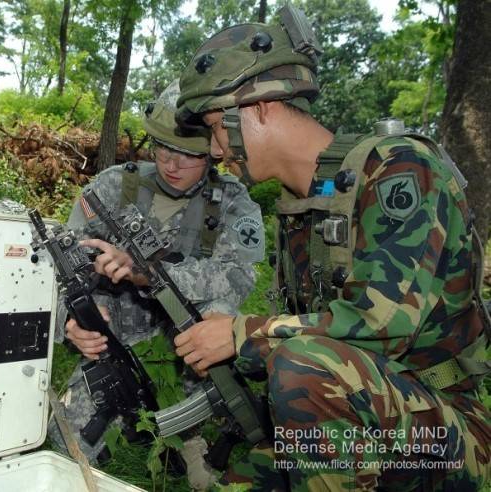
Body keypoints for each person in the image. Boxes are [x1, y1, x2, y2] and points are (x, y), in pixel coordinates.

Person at [171, 6, 490, 490]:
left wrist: (242, 334)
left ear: (258, 107)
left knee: (303, 364)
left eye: (216, 127)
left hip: (449, 431)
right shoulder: (309, 205)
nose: (215, 149)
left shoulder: (399, 170)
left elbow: (382, 325)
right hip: (370, 414)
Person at [47, 79, 265, 485]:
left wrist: (147, 272)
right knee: (61, 446)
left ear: (214, 152)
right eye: (163, 149)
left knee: (221, 312)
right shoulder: (113, 187)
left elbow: (238, 279)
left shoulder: (233, 203)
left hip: (189, 347)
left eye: (188, 155)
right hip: (117, 341)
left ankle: (190, 432)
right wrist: (68, 322)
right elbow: (55, 265)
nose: (171, 164)